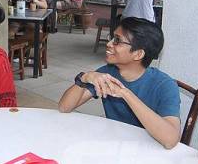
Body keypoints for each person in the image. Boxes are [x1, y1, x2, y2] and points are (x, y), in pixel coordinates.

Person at [58, 17, 180, 149]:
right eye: (112, 37)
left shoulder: (165, 85)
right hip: (115, 146)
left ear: (138, 54)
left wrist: (125, 94)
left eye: (117, 40)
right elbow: (64, 107)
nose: (109, 43)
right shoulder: (108, 73)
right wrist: (85, 78)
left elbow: (170, 140)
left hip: (149, 153)